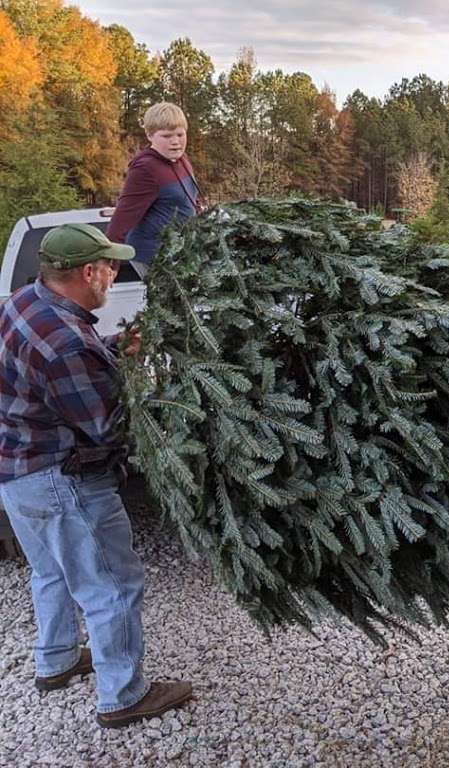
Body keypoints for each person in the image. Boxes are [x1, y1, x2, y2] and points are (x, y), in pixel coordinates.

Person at [0, 224, 194, 729]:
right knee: (112, 585)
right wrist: (171, 403)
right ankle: (123, 694)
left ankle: (57, 660)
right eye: (110, 266)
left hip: (16, 472)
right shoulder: (68, 344)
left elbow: (61, 363)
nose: (114, 273)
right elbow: (109, 427)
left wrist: (112, 346)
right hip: (61, 478)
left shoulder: (25, 302)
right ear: (89, 272)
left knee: (51, 571)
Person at [107, 102, 202, 279]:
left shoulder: (181, 159)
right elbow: (122, 218)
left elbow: (191, 198)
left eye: (180, 134)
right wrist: (110, 264)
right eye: (166, 136)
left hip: (180, 250)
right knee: (172, 304)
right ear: (150, 135)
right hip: (154, 255)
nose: (175, 142)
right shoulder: (145, 169)